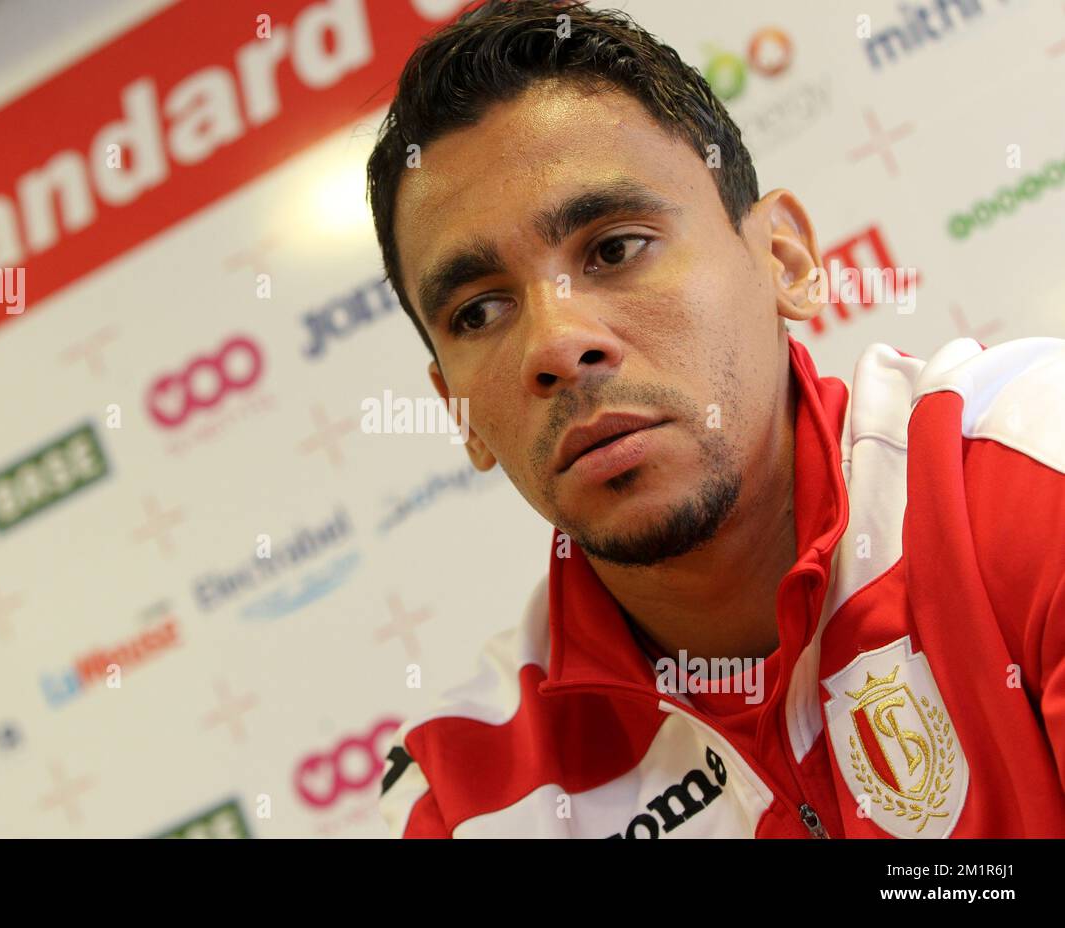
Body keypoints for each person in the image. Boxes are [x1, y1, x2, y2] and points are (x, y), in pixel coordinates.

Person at [364, 0, 1065, 838]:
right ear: (461, 414)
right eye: (479, 312)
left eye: (615, 248)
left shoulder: (1025, 462)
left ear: (785, 262)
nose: (555, 345)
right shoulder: (459, 798)